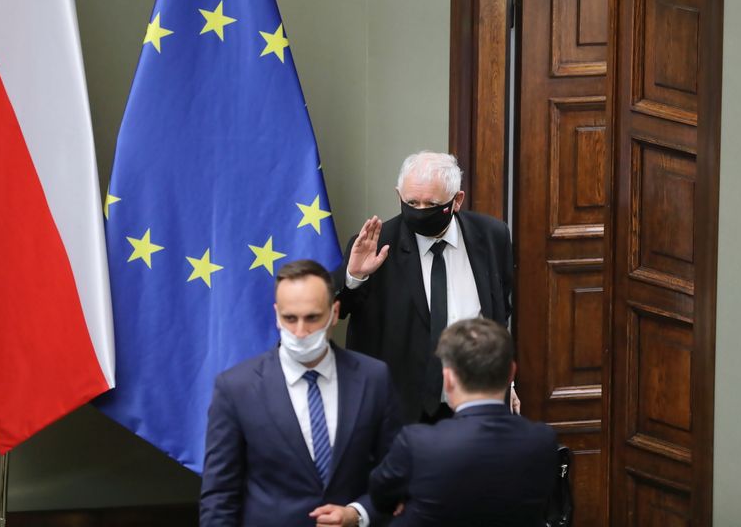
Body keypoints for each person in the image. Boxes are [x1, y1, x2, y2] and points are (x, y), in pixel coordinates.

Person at [200, 260, 401, 526]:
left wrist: (357, 513)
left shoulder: (373, 378)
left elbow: (394, 474)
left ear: (334, 312)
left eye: (312, 318)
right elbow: (220, 496)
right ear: (277, 314)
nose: (300, 332)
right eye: (290, 318)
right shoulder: (236, 388)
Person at [335, 151, 516, 423]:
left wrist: (506, 383)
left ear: (457, 200)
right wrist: (354, 276)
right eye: (411, 202)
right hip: (401, 408)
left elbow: (500, 314)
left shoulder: (492, 236)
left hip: (475, 402)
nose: (420, 211)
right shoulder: (377, 244)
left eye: (431, 204)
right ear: (398, 196)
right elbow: (334, 310)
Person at [368, 318, 556, 525]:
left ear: (448, 379)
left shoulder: (416, 443)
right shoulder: (543, 440)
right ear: (512, 373)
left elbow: (380, 497)